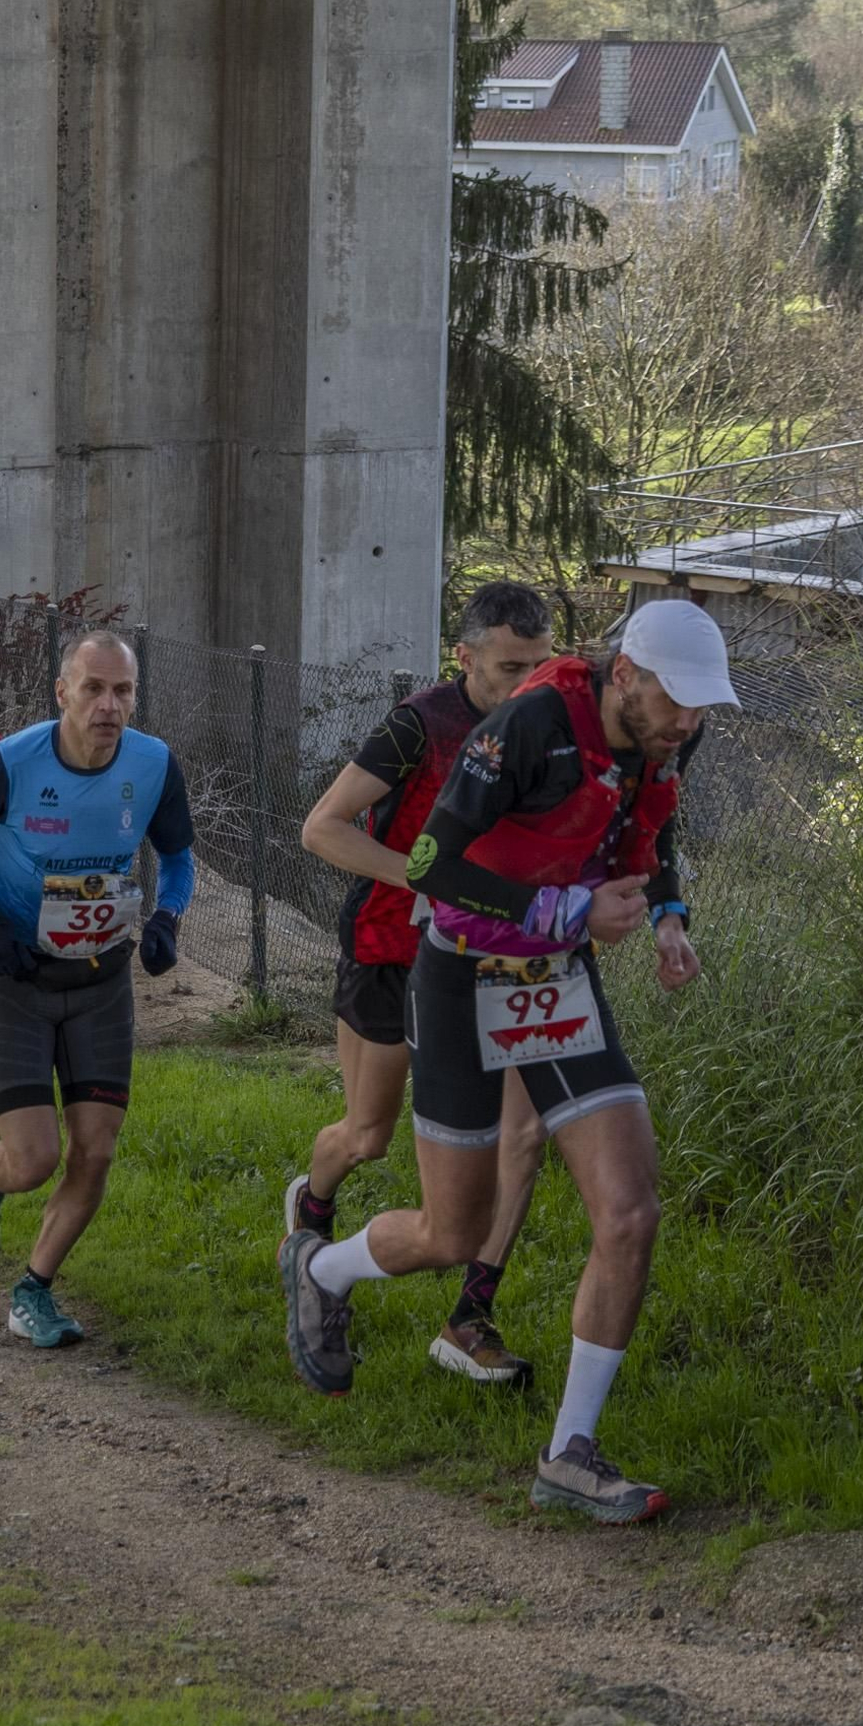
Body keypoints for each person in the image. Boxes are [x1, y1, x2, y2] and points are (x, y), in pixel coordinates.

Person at [277, 599, 738, 1525]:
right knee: (454, 1230)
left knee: (630, 1209)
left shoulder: (666, 738)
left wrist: (666, 918)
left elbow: (658, 828)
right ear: (625, 676)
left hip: (557, 980)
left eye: (700, 707)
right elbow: (436, 861)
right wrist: (566, 914)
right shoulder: (532, 719)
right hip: (459, 973)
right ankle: (322, 1270)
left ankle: (570, 1452)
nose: (687, 722)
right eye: (676, 701)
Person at [288, 581, 556, 1387]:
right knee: (368, 1135)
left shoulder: (551, 727)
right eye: (511, 668)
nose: (527, 685)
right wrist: (427, 882)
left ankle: (469, 1316)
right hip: (391, 950)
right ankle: (312, 1212)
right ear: (465, 657)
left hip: (499, 960)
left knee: (525, 1135)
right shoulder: (421, 723)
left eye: (540, 667)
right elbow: (321, 827)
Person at [0, 631, 196, 1350]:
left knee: (95, 1151)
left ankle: (34, 1289)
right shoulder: (11, 762)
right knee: (34, 1157)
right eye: (95, 688)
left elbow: (178, 854)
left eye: (124, 691)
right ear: (62, 691)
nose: (110, 705)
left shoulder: (154, 763)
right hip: (21, 975)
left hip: (103, 977)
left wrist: (167, 916)